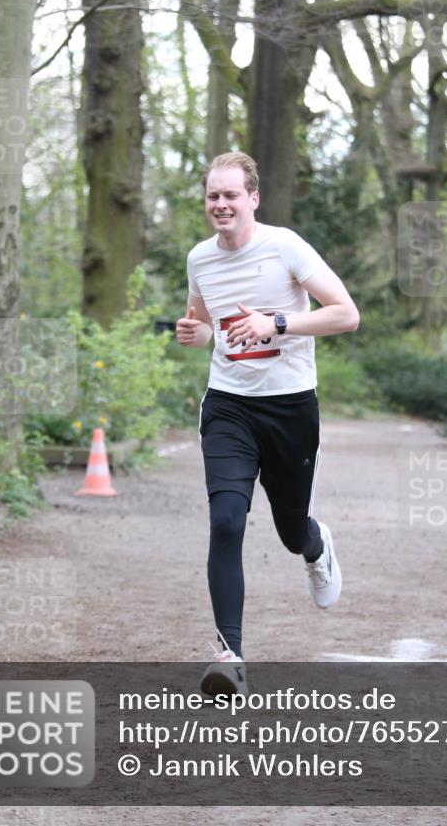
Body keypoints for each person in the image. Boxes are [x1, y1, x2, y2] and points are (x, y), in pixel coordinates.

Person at [176, 152, 359, 696]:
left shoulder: (285, 247)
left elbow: (346, 314)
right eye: (213, 195)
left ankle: (315, 546)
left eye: (231, 195)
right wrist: (197, 334)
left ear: (253, 198)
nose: (221, 204)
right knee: (227, 520)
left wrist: (275, 322)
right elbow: (205, 325)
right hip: (228, 406)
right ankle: (228, 655)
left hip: (289, 407)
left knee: (289, 530)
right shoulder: (200, 259)